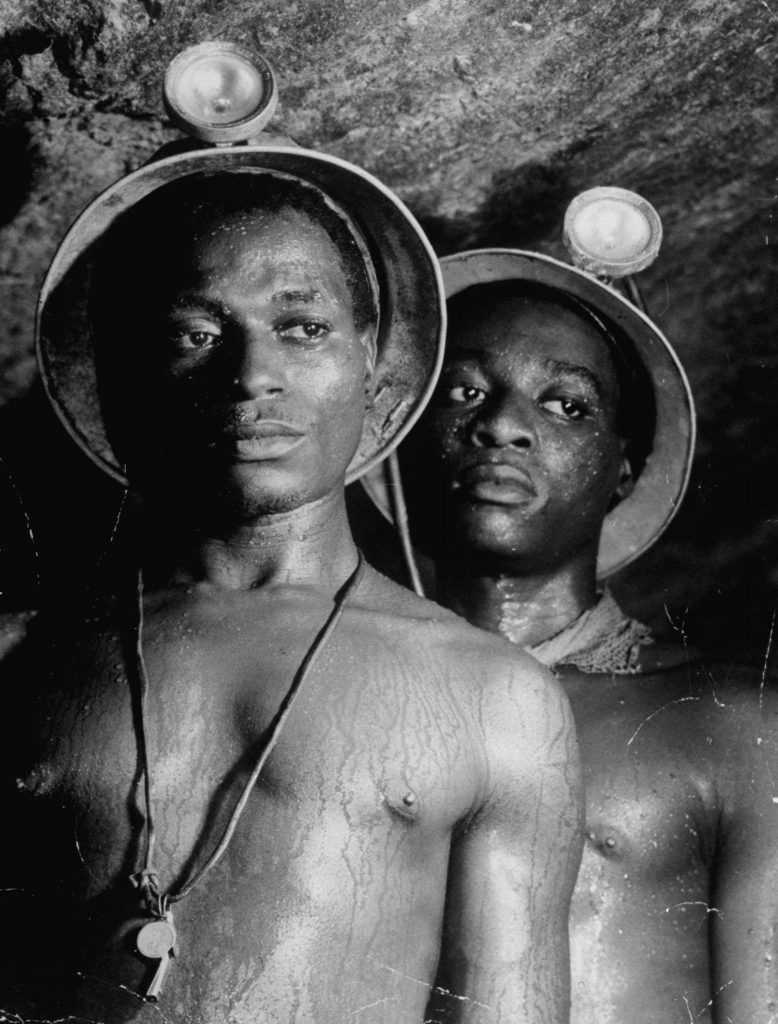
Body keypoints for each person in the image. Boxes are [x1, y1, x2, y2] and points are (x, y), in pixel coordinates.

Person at [0, 150, 582, 1022]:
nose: (251, 375)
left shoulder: (496, 697)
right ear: (119, 384)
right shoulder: (19, 657)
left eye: (302, 328)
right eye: (193, 335)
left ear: (379, 378)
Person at [367, 248, 778, 1024]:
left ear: (622, 469)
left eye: (567, 406)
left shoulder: (733, 723)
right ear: (404, 437)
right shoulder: (337, 695)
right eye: (464, 391)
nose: (502, 426)